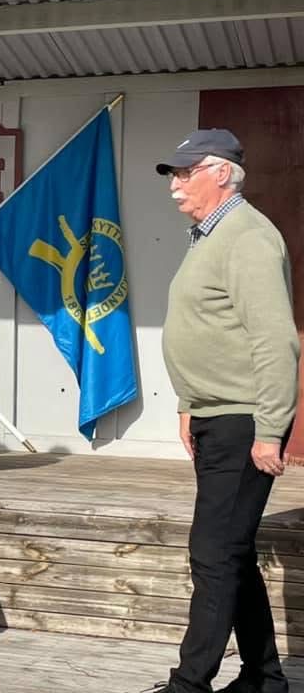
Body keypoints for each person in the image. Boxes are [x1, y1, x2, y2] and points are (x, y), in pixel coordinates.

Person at [155, 129, 299, 693]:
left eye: (184, 172)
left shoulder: (248, 237)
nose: (175, 185)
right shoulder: (208, 237)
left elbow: (275, 342)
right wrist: (190, 404)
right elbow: (209, 328)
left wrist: (270, 431)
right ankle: (264, 678)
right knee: (231, 549)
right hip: (215, 415)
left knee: (213, 553)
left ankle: (189, 684)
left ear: (221, 173)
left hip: (245, 419)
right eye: (173, 174)